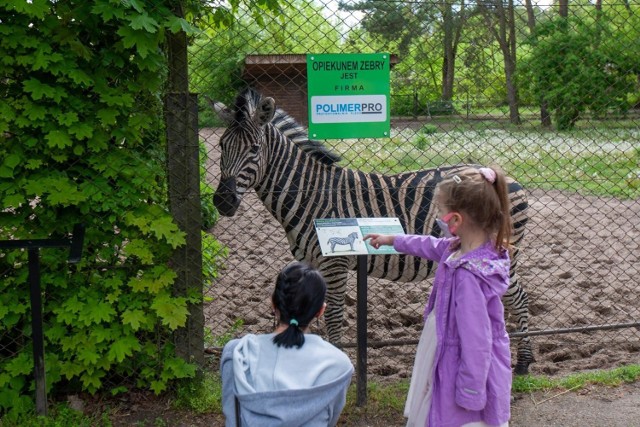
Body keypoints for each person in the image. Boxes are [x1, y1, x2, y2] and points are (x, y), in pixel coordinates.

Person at [364, 166, 513, 427]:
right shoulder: (465, 249)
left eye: (440, 211)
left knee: (457, 415)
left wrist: (471, 391)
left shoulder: (468, 276)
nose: (438, 216)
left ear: (455, 221)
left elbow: (477, 341)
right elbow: (428, 244)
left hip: (460, 357)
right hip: (447, 341)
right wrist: (392, 239)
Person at [220, 261, 354, 427]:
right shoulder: (339, 365)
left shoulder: (238, 354)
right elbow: (330, 420)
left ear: (273, 303)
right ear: (321, 311)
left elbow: (232, 417)